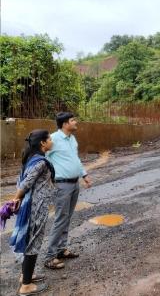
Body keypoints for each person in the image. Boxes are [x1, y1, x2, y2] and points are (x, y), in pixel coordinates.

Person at [10, 130, 55, 295]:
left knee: (31, 240)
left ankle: (25, 276)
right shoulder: (40, 162)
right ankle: (26, 286)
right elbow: (25, 184)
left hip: (32, 207)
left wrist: (18, 199)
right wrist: (16, 199)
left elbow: (21, 181)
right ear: (43, 143)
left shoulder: (31, 159)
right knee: (33, 243)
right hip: (35, 209)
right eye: (49, 138)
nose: (51, 140)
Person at [44, 112, 91, 269]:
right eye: (73, 120)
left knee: (67, 217)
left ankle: (61, 249)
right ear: (65, 124)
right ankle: (50, 256)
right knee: (60, 219)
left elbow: (75, 159)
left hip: (74, 183)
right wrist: (49, 178)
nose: (75, 122)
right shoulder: (53, 139)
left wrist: (84, 174)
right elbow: (43, 158)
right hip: (61, 185)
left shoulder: (72, 139)